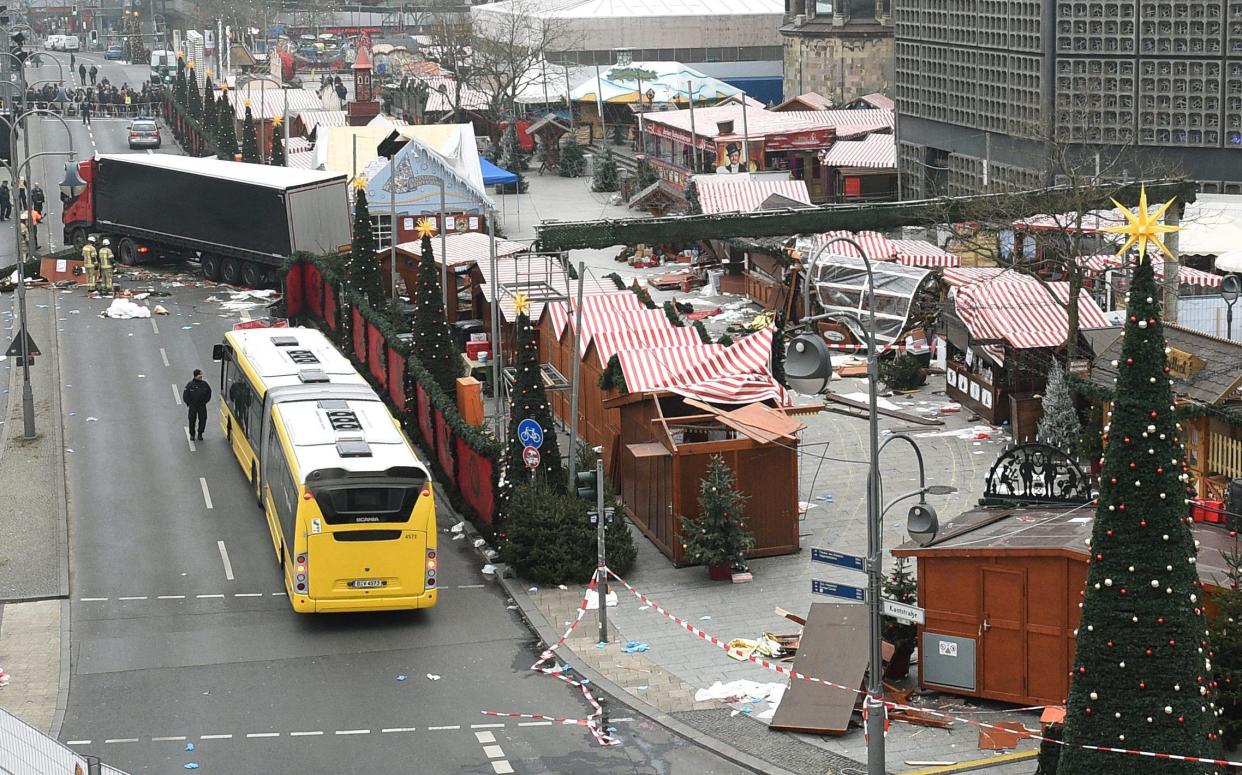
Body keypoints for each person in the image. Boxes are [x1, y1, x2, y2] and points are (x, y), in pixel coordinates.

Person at [183, 369, 212, 441]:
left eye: (201, 375)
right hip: (193, 405)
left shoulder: (204, 384)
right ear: (196, 376)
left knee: (203, 419)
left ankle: (200, 433)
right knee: (192, 419)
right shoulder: (190, 385)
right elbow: (185, 395)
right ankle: (192, 434)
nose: (201, 376)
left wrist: (205, 401)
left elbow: (209, 393)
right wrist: (189, 403)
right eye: (199, 375)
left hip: (202, 405)